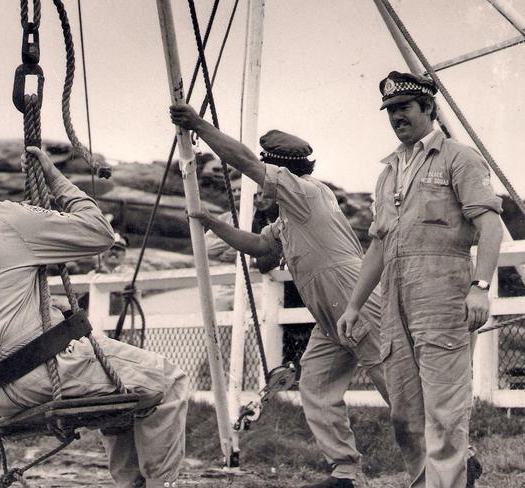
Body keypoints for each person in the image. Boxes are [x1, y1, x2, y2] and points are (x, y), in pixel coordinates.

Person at [0, 129, 188, 488]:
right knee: (169, 382)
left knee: (124, 406)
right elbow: (100, 234)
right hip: (43, 374)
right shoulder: (4, 220)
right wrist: (55, 177)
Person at [170, 104, 390, 488]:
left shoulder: (307, 194)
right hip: (330, 315)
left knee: (396, 387)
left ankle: (455, 459)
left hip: (357, 302)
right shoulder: (288, 218)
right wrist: (212, 222)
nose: (261, 186)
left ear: (283, 173)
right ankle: (345, 473)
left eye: (268, 177)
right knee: (317, 387)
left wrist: (198, 125)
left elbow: (244, 161)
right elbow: (260, 248)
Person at [337, 71, 502, 488]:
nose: (396, 117)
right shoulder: (388, 171)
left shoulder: (458, 158)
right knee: (405, 415)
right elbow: (378, 244)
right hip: (395, 300)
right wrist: (355, 305)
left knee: (445, 413)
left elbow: (490, 225)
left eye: (404, 108)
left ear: (428, 107)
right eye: (390, 110)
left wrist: (479, 287)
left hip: (442, 296)